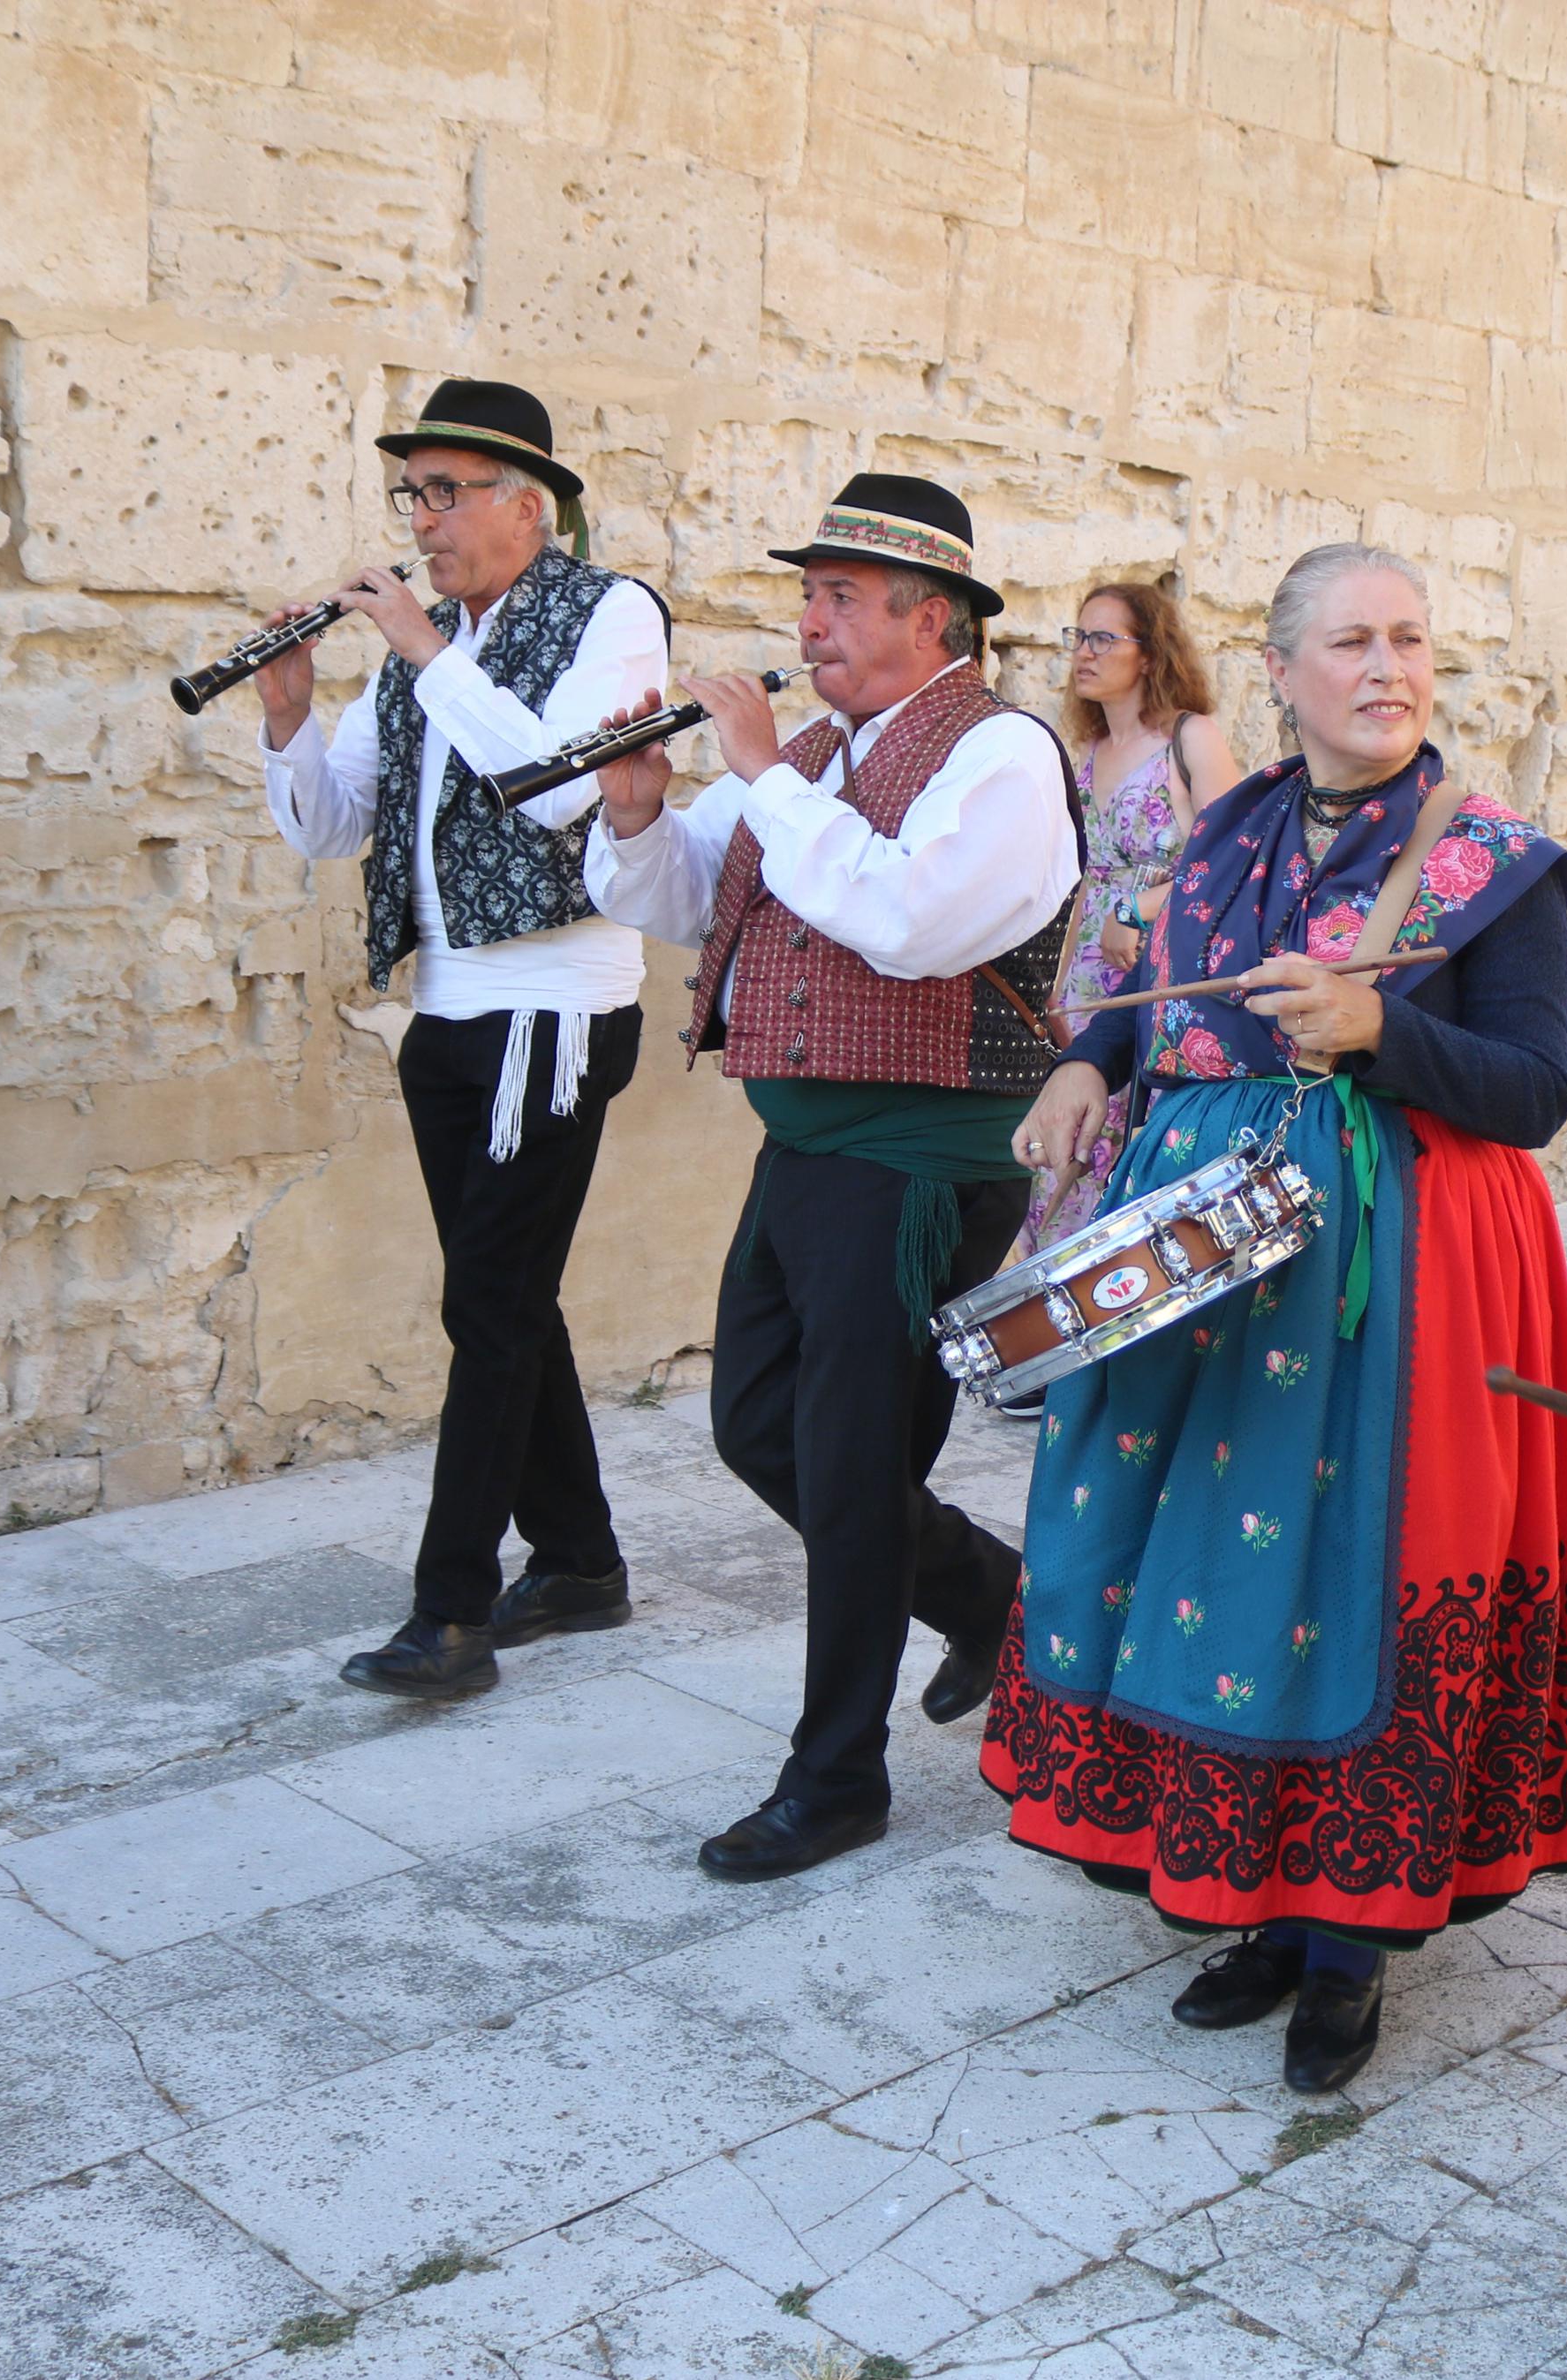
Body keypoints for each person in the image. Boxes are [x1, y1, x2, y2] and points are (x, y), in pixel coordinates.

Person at [982, 542, 1567, 2097]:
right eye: (1351, 640)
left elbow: (1532, 1093)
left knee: (1353, 1573)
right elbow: (1163, 1029)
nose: (1388, 665)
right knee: (1207, 1570)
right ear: (1278, 671)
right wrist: (1088, 1074)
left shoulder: (1499, 864)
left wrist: (1382, 1030)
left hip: (1397, 1272)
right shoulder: (1221, 843)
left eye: (1410, 637)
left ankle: (1348, 1944)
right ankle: (1255, 1899)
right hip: (1206, 1262)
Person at [583, 473, 1084, 1879]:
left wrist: (761, 776)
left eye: (839, 597)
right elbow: (702, 901)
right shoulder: (816, 753)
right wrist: (633, 814)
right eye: (808, 594)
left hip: (918, 1160)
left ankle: (835, 1775)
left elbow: (906, 919)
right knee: (758, 1428)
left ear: (933, 619)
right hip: (804, 1148)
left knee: (856, 1466)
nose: (807, 622)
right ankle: (988, 1590)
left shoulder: (1000, 758)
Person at [254, 378, 670, 1702]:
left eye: (443, 492)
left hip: (552, 1011)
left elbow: (554, 786)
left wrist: (435, 659)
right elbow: (331, 828)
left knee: (484, 1306)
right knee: (504, 1295)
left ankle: (451, 1613)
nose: (421, 521)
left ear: (522, 503)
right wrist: (284, 712)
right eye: (411, 494)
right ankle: (582, 1557)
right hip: (445, 1010)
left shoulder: (607, 614)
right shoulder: (419, 649)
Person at [1017, 581, 1239, 1254]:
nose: (1082, 652)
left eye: (1102, 638)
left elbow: (1234, 864)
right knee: (1065, 1142)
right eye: (1077, 637)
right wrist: (1053, 985)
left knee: (1119, 1138)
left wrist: (1133, 908)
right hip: (1081, 985)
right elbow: (1079, 882)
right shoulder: (1082, 755)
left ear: (1149, 653)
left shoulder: (1188, 738)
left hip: (1149, 973)